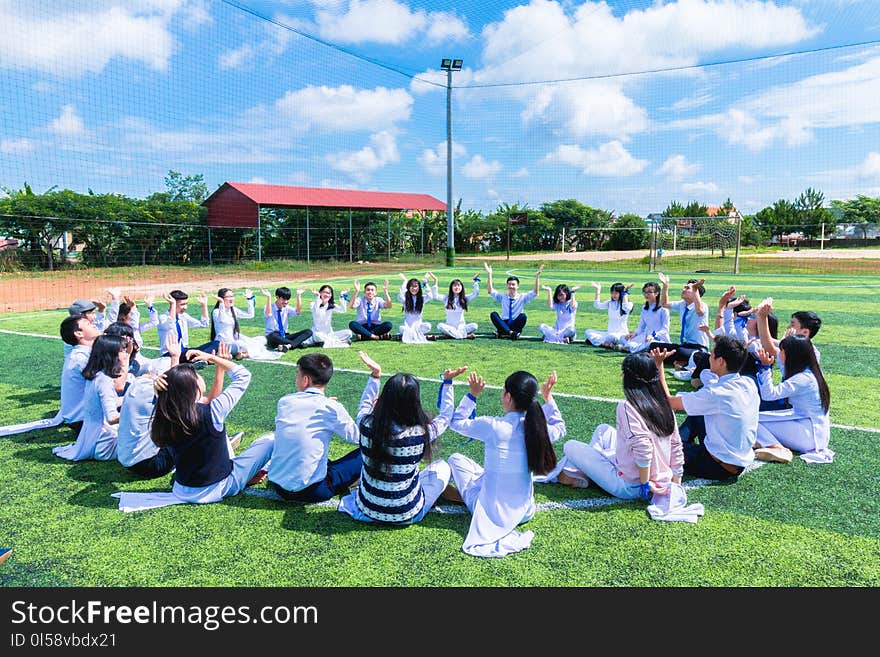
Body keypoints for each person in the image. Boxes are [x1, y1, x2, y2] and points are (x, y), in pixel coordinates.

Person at [443, 369, 566, 557]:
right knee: (485, 473)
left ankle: (465, 496)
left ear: (508, 396)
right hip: (525, 510)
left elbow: (456, 422)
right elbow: (560, 428)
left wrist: (472, 395)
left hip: (491, 514)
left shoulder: (494, 426)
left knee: (455, 459)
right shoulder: (539, 430)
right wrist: (548, 398)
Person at [338, 353, 468, 524]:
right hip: (408, 514)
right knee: (443, 467)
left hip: (367, 509)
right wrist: (447, 383)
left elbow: (364, 405)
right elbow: (445, 417)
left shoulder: (366, 424)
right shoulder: (421, 432)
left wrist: (375, 375)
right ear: (414, 403)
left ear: (384, 399)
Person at [137, 349, 273, 507]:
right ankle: (267, 477)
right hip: (218, 487)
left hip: (181, 488)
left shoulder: (165, 413)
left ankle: (246, 474)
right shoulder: (213, 411)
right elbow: (243, 375)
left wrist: (158, 387)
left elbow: (170, 396)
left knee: (218, 432)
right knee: (269, 441)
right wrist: (212, 358)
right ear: (192, 387)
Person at [555, 353, 683, 501]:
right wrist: (676, 485)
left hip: (630, 486)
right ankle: (585, 473)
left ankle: (582, 474)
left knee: (570, 446)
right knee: (603, 430)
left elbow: (643, 447)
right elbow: (676, 446)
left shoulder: (627, 406)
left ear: (629, 378)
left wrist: (645, 484)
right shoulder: (664, 404)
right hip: (658, 479)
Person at [650, 336, 757, 480]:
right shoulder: (748, 383)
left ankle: (673, 443)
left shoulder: (716, 394)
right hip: (737, 460)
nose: (709, 358)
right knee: (697, 413)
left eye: (711, 355)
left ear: (721, 361)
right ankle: (677, 441)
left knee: (657, 448)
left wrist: (658, 364)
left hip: (718, 465)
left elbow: (668, 401)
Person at [268, 353, 365, 503]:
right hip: (314, 491)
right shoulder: (331, 407)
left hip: (278, 486)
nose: (296, 379)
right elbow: (358, 438)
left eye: (297, 375)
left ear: (306, 380)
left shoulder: (285, 401)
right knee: (366, 451)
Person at [53, 334, 133, 461]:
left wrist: (134, 398)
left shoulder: (97, 375)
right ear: (112, 355)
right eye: (122, 350)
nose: (126, 354)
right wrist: (136, 412)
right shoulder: (104, 381)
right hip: (104, 444)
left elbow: (106, 403)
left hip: (93, 437)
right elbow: (112, 418)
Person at [755, 333, 833, 464]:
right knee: (757, 417)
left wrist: (765, 368)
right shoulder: (811, 370)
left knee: (751, 421)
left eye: (782, 351)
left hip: (808, 436)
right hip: (813, 432)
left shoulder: (802, 379)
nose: (779, 354)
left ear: (792, 355)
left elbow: (769, 395)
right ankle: (762, 442)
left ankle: (777, 448)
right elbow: (807, 348)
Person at [649, 272, 710, 366]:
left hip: (699, 349)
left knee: (680, 351)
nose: (683, 289)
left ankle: (680, 361)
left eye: (687, 288)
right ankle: (680, 362)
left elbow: (700, 311)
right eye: (684, 287)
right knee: (653, 346)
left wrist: (695, 289)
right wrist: (665, 285)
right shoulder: (682, 304)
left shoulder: (702, 305)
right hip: (685, 346)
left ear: (695, 292)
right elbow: (664, 304)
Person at [59, 313, 102, 437]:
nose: (93, 325)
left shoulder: (82, 354)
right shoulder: (81, 359)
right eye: (88, 324)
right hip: (84, 421)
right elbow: (112, 386)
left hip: (81, 417)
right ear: (79, 333)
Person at [484, 261, 544, 340]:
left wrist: (537, 276)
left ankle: (503, 332)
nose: (511, 286)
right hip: (505, 323)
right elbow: (490, 291)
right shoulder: (503, 296)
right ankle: (511, 333)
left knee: (523, 316)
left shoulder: (522, 297)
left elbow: (535, 292)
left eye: (513, 284)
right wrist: (489, 274)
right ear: (507, 285)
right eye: (509, 284)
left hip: (515, 323)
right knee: (493, 314)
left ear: (518, 286)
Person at [157, 289, 211, 358]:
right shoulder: (162, 318)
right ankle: (199, 360)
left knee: (216, 343)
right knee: (194, 354)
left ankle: (201, 359)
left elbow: (204, 324)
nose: (185, 307)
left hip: (184, 351)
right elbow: (171, 324)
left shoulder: (183, 316)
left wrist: (204, 305)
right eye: (182, 304)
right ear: (172, 303)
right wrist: (173, 304)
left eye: (186, 304)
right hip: (169, 354)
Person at [621, 282, 670, 353]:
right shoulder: (644, 308)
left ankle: (632, 349)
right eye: (645, 292)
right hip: (646, 336)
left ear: (656, 293)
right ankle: (636, 349)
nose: (646, 294)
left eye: (649, 292)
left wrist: (653, 336)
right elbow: (641, 327)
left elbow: (665, 329)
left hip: (658, 337)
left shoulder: (664, 309)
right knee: (624, 338)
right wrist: (634, 333)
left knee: (651, 344)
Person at [583, 281, 634, 348]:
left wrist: (624, 293)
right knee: (588, 332)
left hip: (621, 335)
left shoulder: (629, 304)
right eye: (612, 293)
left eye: (616, 293)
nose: (613, 295)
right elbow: (597, 305)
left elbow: (626, 307)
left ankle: (604, 343)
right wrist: (598, 289)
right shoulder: (610, 303)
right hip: (609, 334)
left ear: (620, 293)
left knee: (612, 337)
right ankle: (608, 344)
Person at [210, 287, 256, 359]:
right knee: (244, 346)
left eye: (232, 296)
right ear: (221, 298)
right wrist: (221, 304)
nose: (231, 299)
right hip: (223, 343)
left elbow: (250, 315)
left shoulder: (233, 310)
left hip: (233, 341)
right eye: (228, 297)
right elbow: (224, 320)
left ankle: (236, 355)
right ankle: (234, 354)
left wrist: (249, 299)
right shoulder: (216, 311)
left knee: (254, 343)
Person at [263, 287, 312, 352]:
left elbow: (298, 312)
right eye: (283, 299)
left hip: (284, 336)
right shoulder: (269, 307)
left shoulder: (286, 308)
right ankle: (298, 344)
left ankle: (288, 346)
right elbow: (268, 313)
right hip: (272, 337)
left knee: (308, 332)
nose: (286, 302)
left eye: (287, 299)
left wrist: (298, 295)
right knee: (273, 336)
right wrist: (269, 297)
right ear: (277, 297)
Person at [397, 273, 437, 343]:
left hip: (419, 327)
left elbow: (430, 296)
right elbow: (400, 296)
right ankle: (419, 336)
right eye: (412, 287)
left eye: (416, 286)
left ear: (419, 288)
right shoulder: (405, 299)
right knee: (401, 328)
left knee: (428, 326)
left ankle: (412, 335)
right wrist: (405, 281)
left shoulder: (421, 298)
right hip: (408, 327)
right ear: (408, 288)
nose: (414, 289)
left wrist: (425, 283)